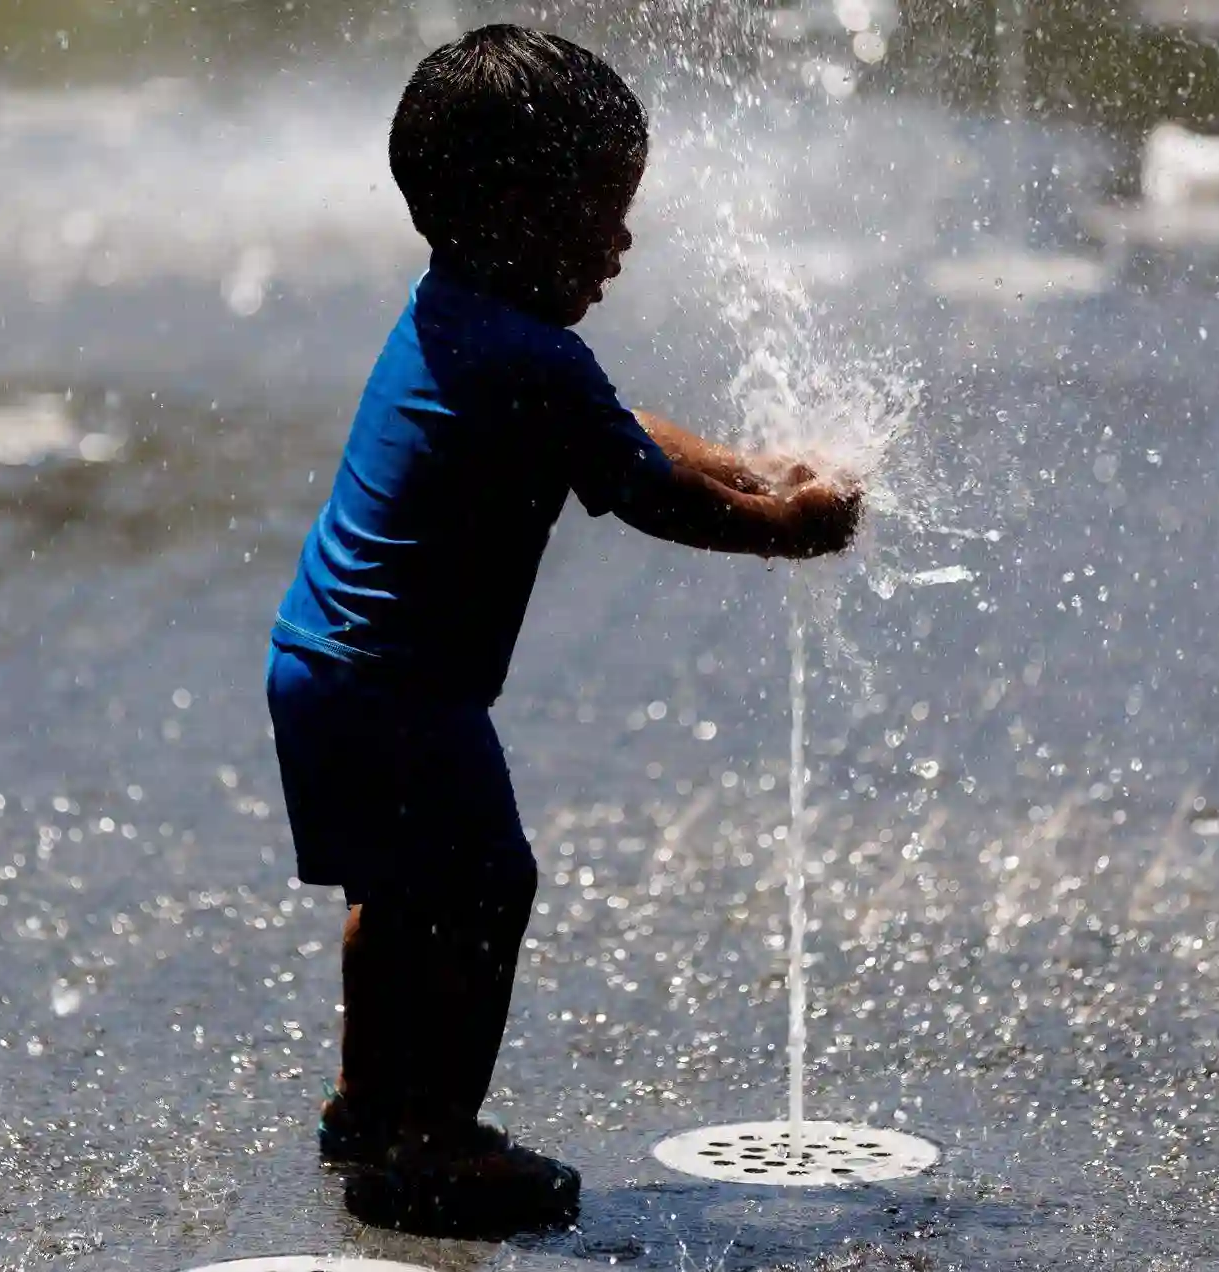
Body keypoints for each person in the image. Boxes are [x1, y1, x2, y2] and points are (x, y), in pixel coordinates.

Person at [265, 23, 860, 1229]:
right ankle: (435, 1146)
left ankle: (371, 1106)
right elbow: (643, 485)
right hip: (407, 692)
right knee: (486, 883)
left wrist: (752, 463)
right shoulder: (526, 355)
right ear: (511, 212)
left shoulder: (460, 318)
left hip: (322, 667)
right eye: (602, 211)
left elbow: (617, 427)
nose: (623, 244)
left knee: (391, 893)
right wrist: (784, 529)